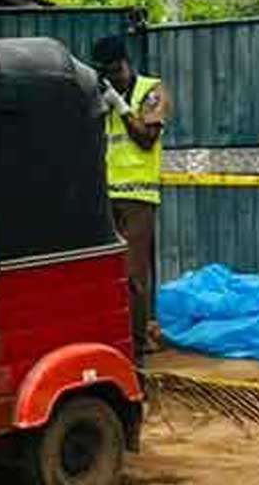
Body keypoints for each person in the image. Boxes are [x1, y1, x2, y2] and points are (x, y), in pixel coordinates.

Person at [92, 35, 171, 359]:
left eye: (115, 70)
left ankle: (136, 349)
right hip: (105, 195)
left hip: (139, 196)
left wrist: (122, 107)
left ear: (126, 63)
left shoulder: (153, 91)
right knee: (105, 274)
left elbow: (146, 140)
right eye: (106, 73)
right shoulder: (102, 95)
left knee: (134, 275)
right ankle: (113, 340)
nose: (111, 78)